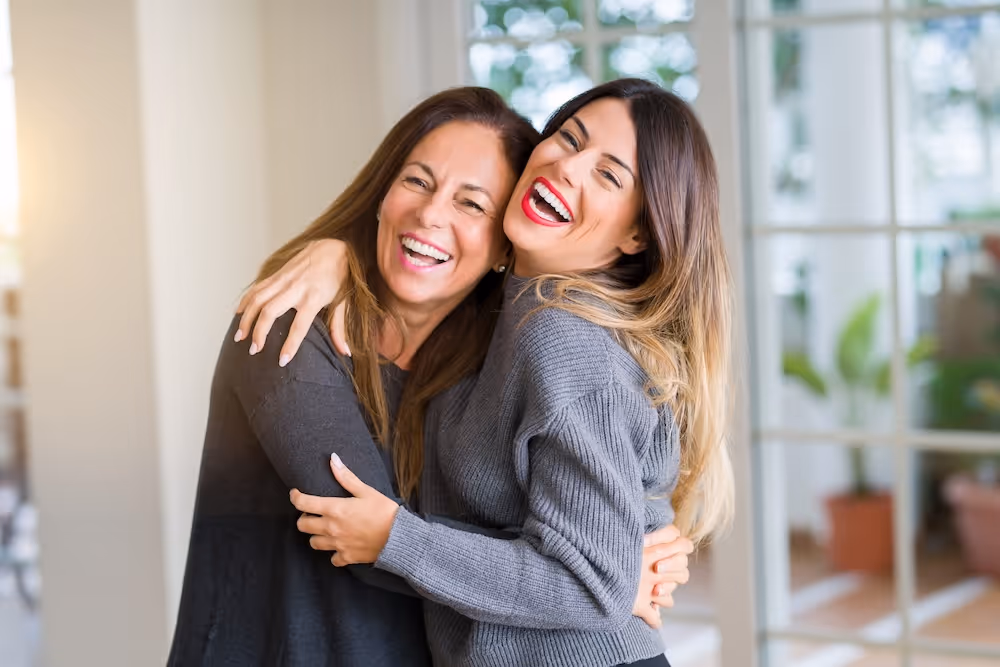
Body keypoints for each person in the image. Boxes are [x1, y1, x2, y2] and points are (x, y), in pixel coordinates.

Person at [170, 86, 692, 667]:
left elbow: (409, 532)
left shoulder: (508, 352)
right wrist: (600, 575)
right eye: (417, 182)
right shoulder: (292, 323)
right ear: (383, 193)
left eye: (473, 204)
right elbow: (359, 528)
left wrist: (598, 570)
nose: (430, 214)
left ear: (502, 237)